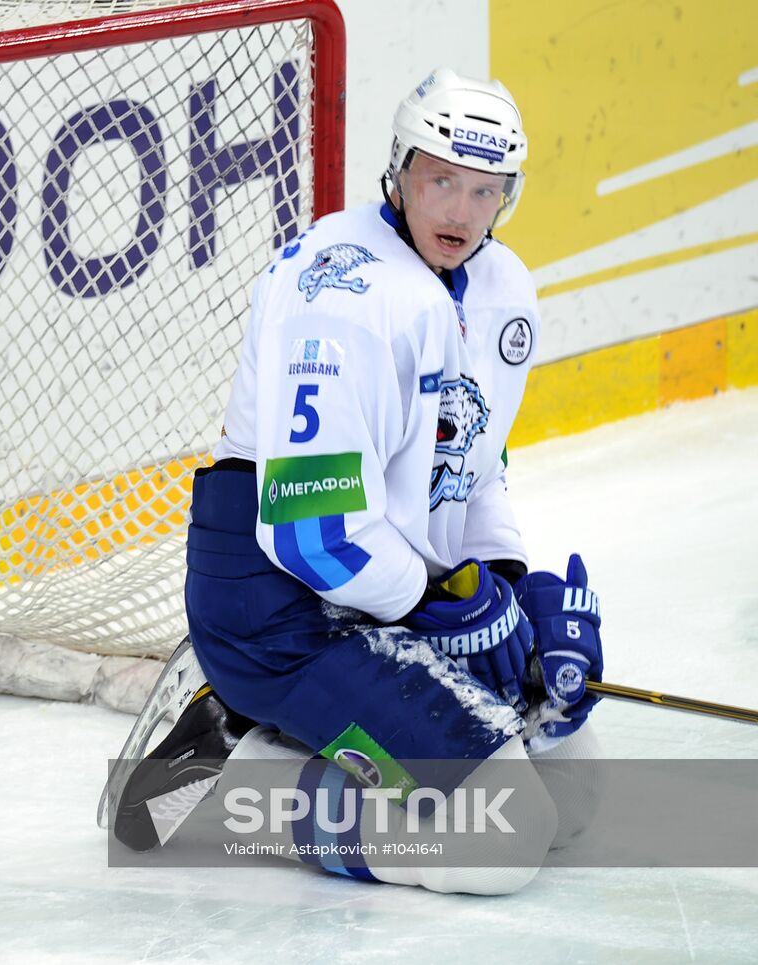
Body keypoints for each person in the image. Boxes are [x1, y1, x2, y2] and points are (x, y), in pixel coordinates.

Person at [100, 69, 604, 895]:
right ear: (400, 168)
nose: (460, 212)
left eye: (486, 191)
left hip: (396, 586)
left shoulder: (505, 290)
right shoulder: (340, 291)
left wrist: (510, 590)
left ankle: (295, 727)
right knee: (506, 838)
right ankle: (242, 766)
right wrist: (442, 602)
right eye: (441, 179)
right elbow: (312, 533)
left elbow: (470, 468)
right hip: (286, 610)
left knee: (576, 795)